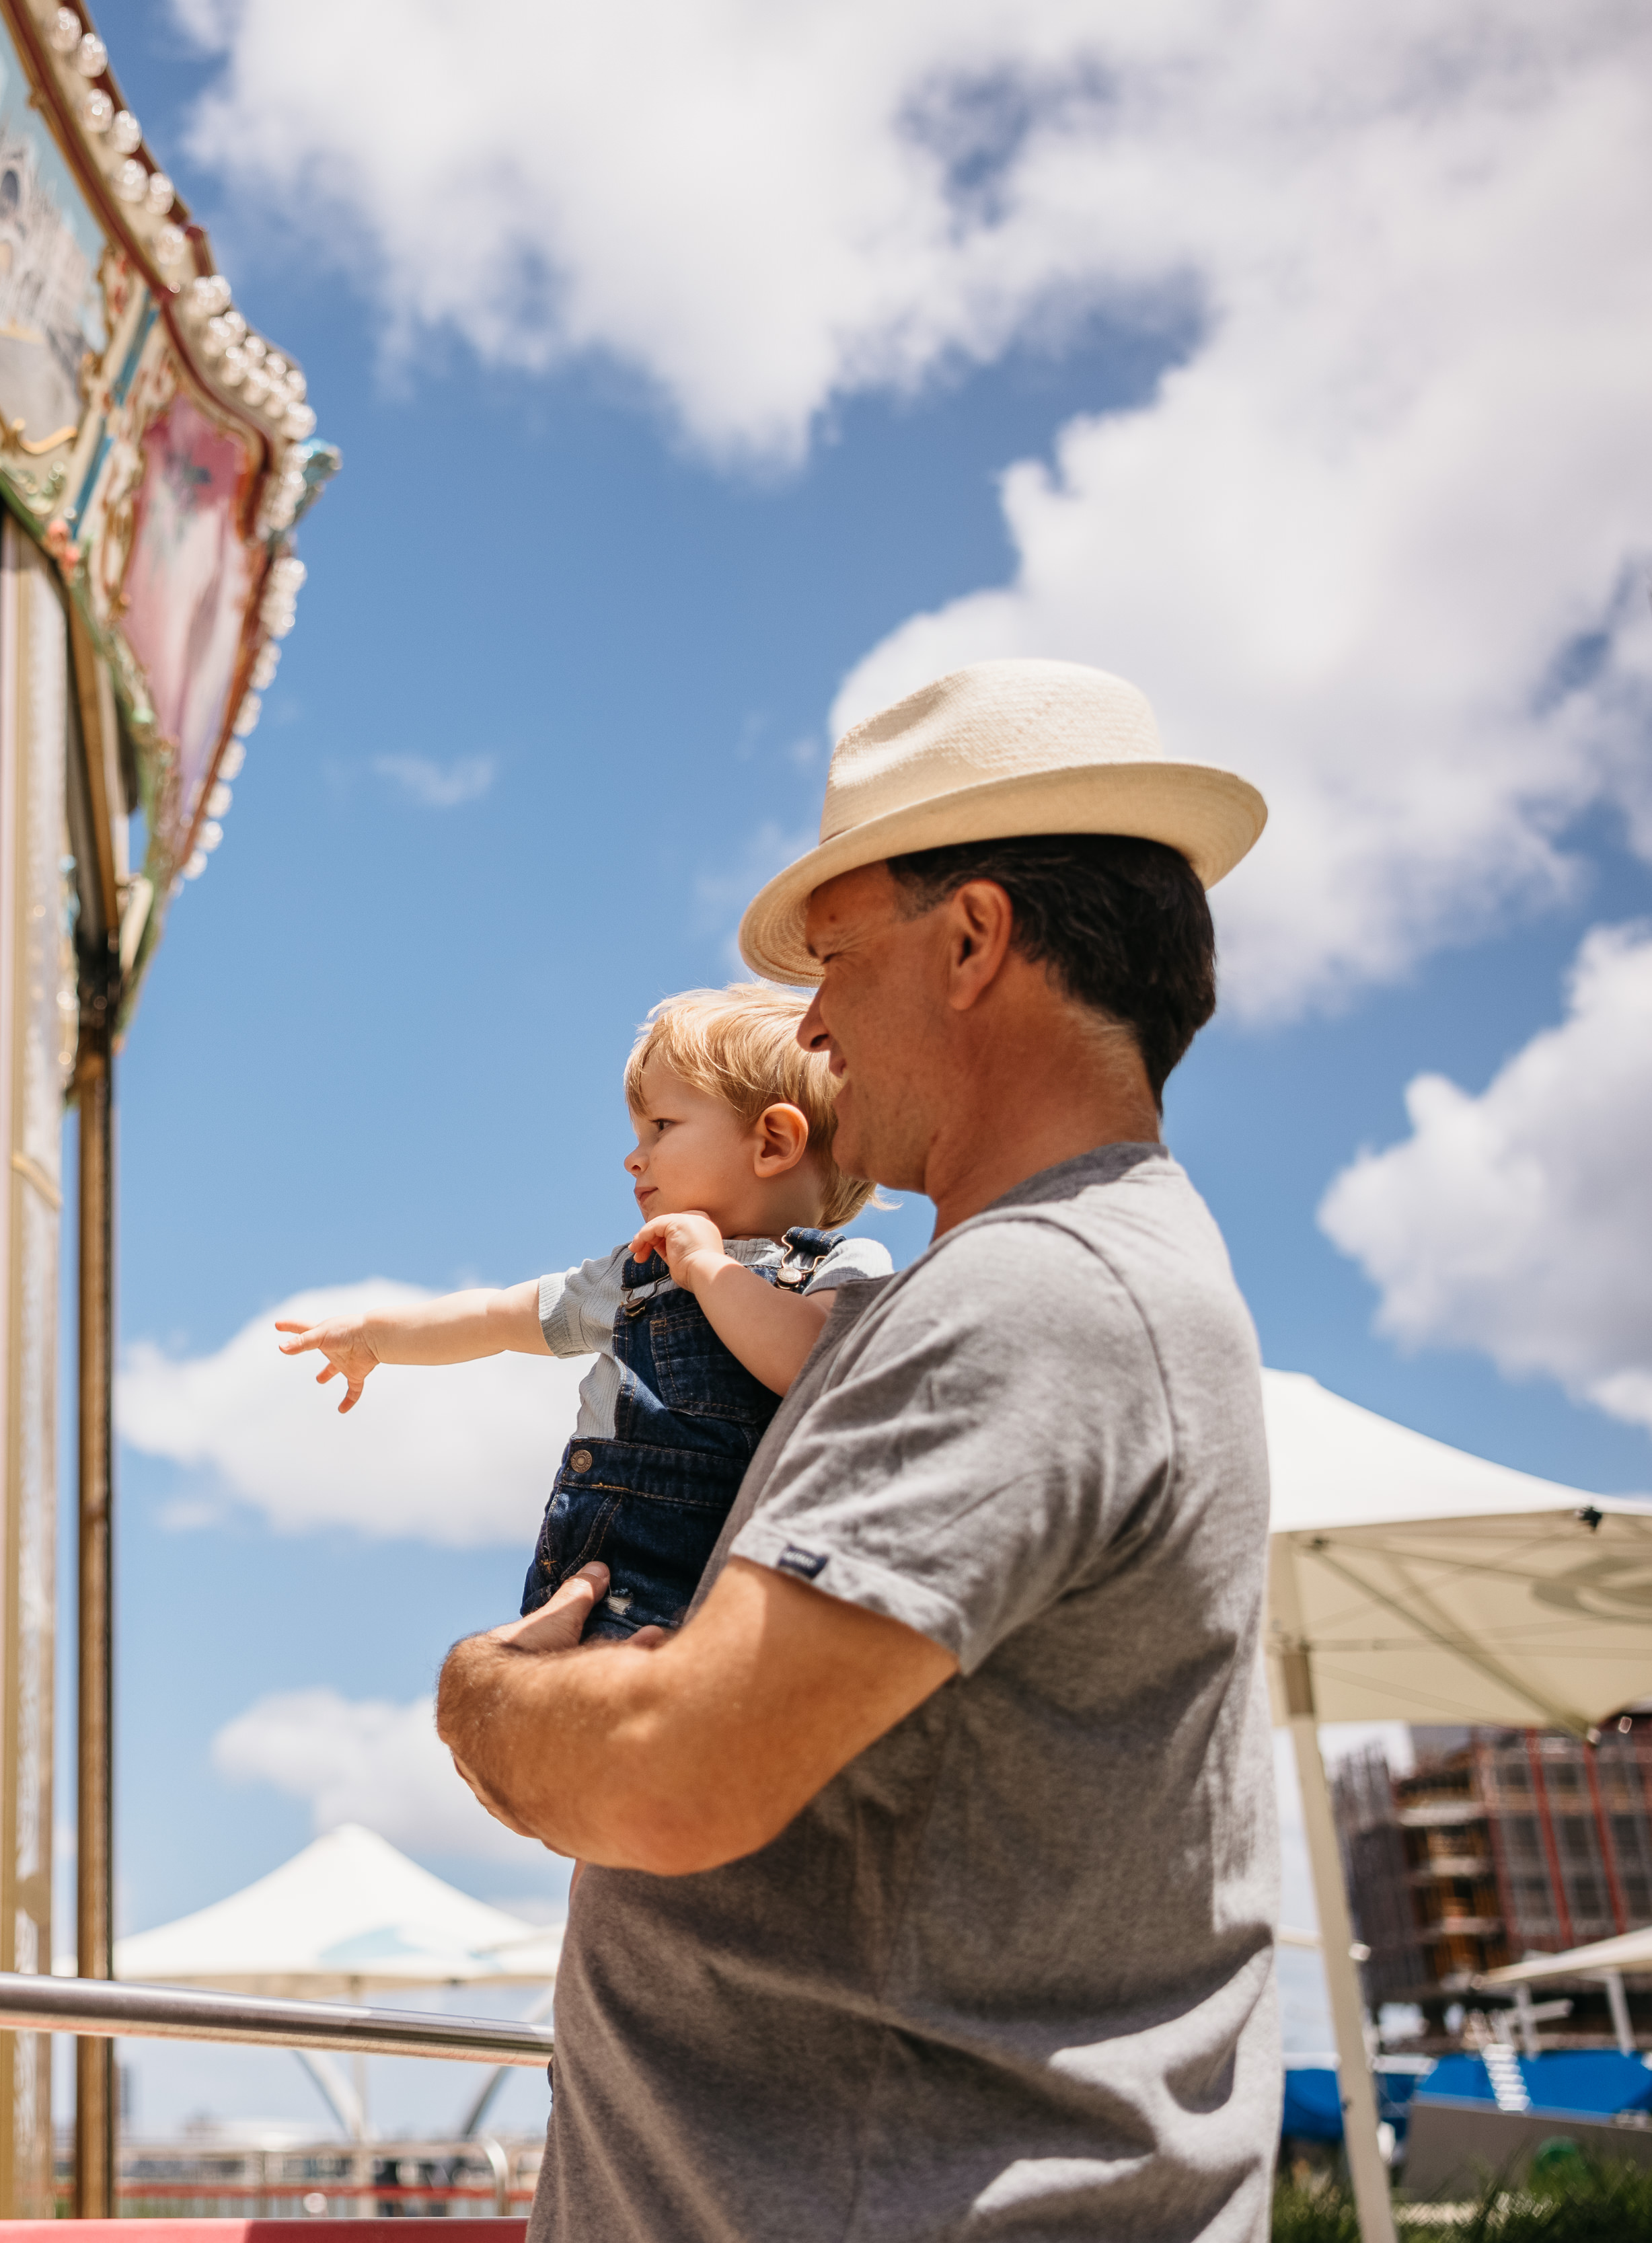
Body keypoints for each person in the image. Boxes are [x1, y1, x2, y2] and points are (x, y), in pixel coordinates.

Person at [433, 659, 1279, 2239]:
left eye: (833, 958)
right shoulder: (1069, 1275)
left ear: (971, 942)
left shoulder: (1036, 1294)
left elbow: (673, 1777)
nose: (810, 1022)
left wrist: (483, 1698)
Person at [274, 985, 885, 1640]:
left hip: (738, 1594)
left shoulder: (842, 1265)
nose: (633, 1155)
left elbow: (809, 1366)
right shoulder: (632, 1271)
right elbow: (493, 1316)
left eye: (662, 1127)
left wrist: (710, 1269)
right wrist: (374, 1336)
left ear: (770, 1142)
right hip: (595, 1576)